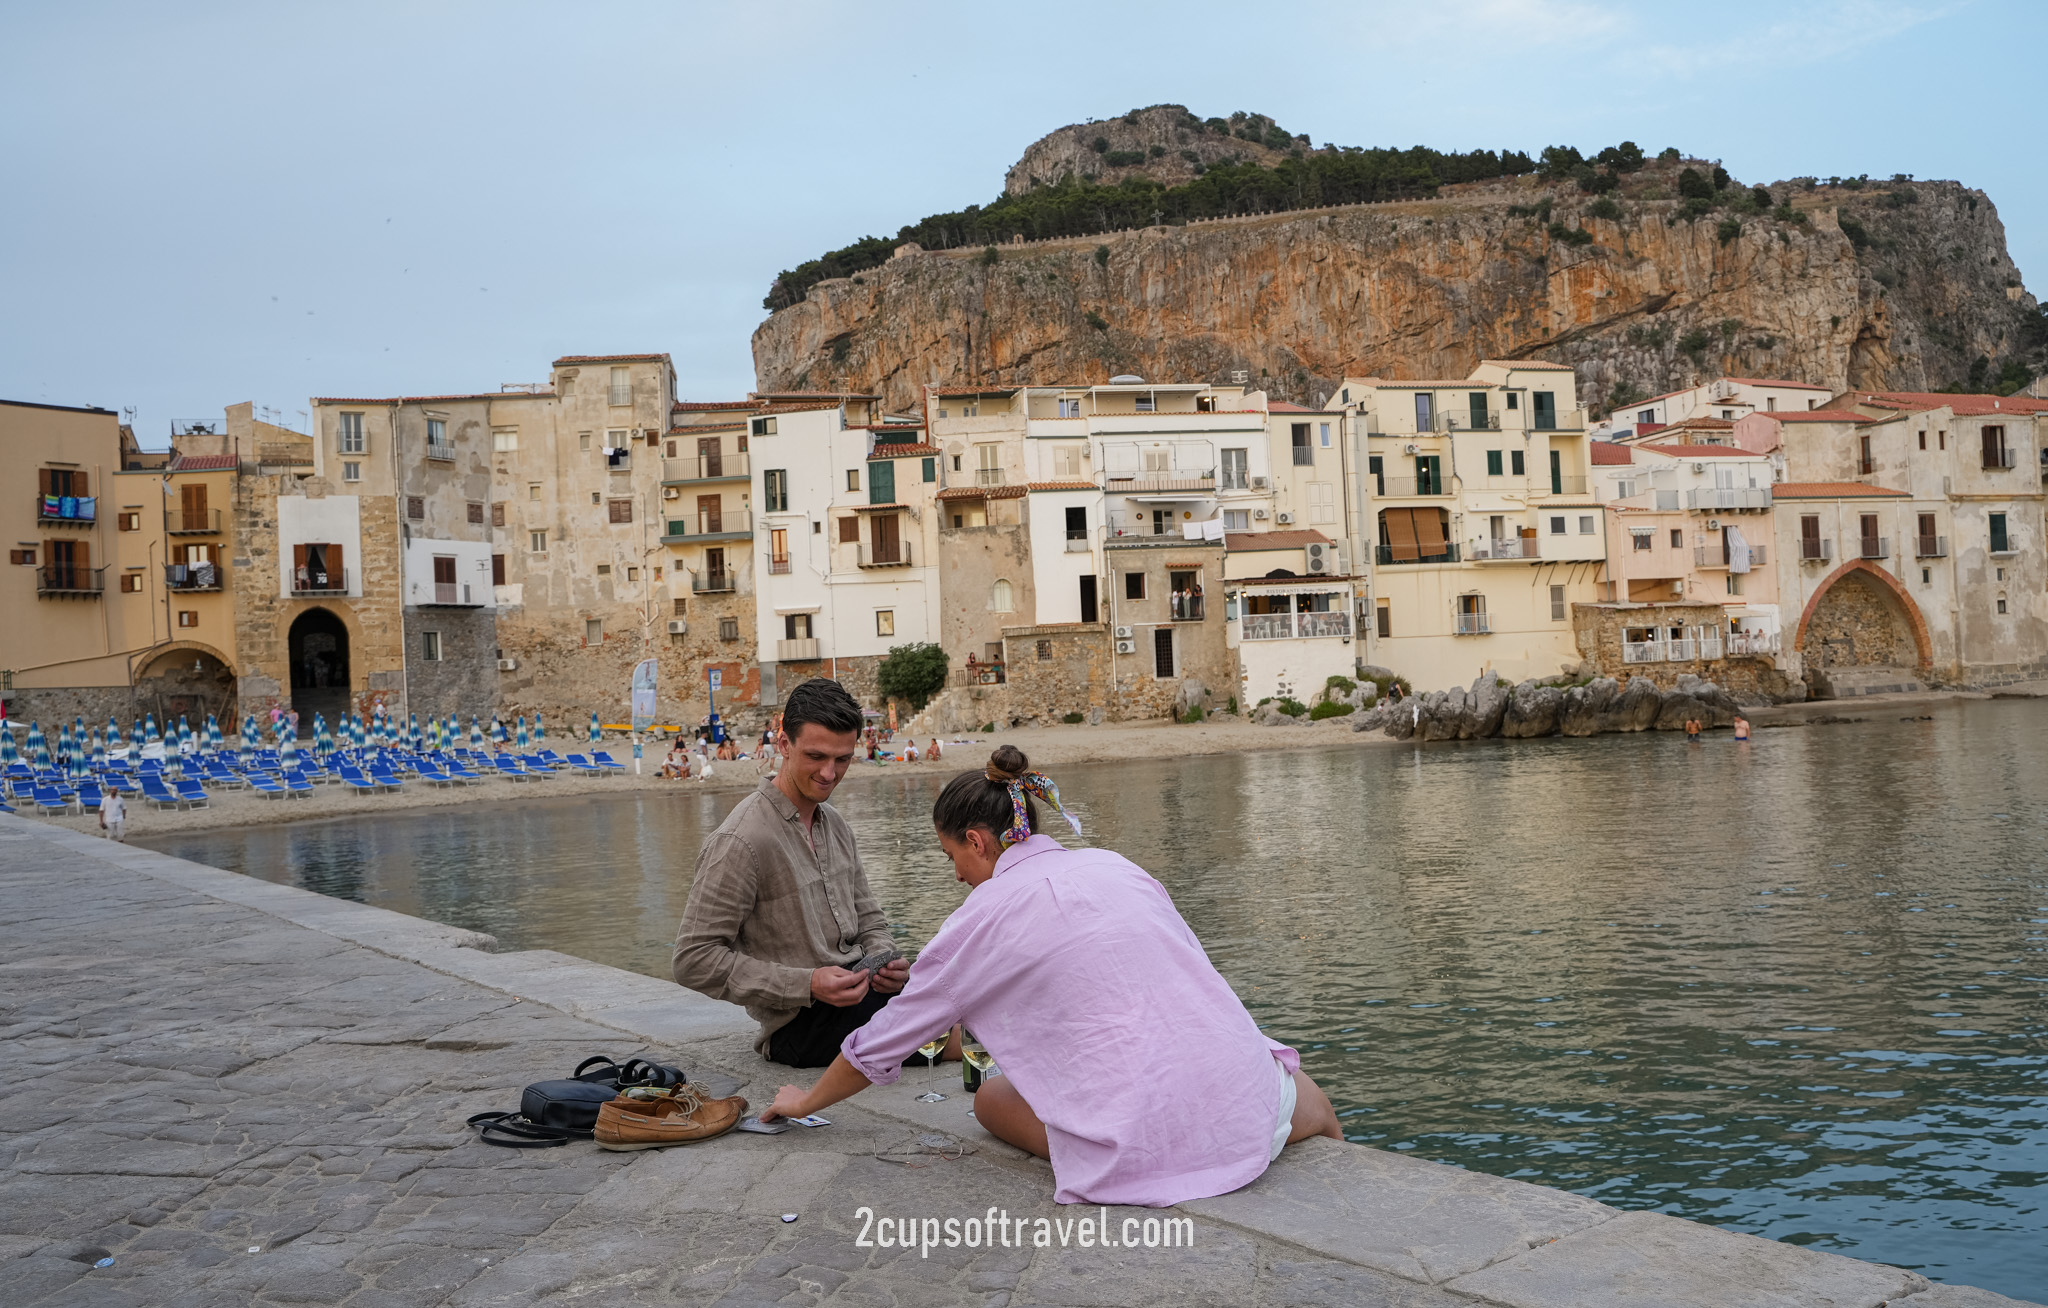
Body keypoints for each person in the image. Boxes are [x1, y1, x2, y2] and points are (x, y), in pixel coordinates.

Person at [761, 745, 1342, 1206]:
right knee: (1297, 1088)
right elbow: (1194, 975)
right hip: (1242, 1102)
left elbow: (884, 1040)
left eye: (952, 859)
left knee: (990, 1100)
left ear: (976, 841)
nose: (958, 877)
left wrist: (806, 1098)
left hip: (1137, 1143)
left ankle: (1154, 1158)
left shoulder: (976, 921)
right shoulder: (1118, 866)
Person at [672, 678, 912, 1066]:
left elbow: (870, 921)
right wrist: (808, 983)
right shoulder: (741, 839)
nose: (830, 774)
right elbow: (693, 959)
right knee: (947, 1029)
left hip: (860, 997)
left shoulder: (835, 824)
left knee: (963, 990)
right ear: (783, 744)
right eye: (816, 756)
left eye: (843, 759)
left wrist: (886, 960)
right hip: (799, 1027)